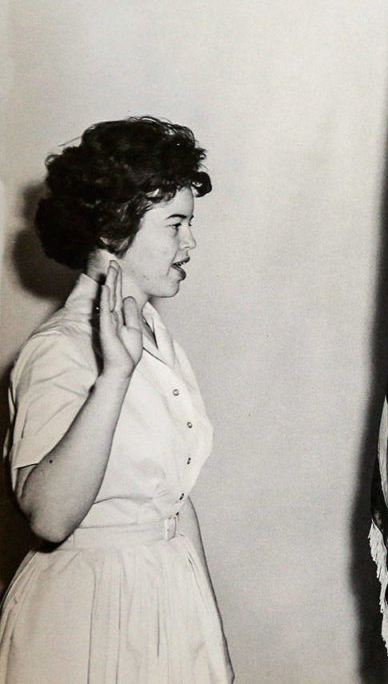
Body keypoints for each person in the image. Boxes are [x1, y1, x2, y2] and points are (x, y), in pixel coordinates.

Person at [0, 117, 233, 682]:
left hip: (168, 600)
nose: (190, 241)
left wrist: (214, 649)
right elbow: (50, 518)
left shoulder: (153, 335)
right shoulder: (61, 351)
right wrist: (114, 378)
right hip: (86, 614)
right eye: (175, 223)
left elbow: (175, 504)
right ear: (111, 233)